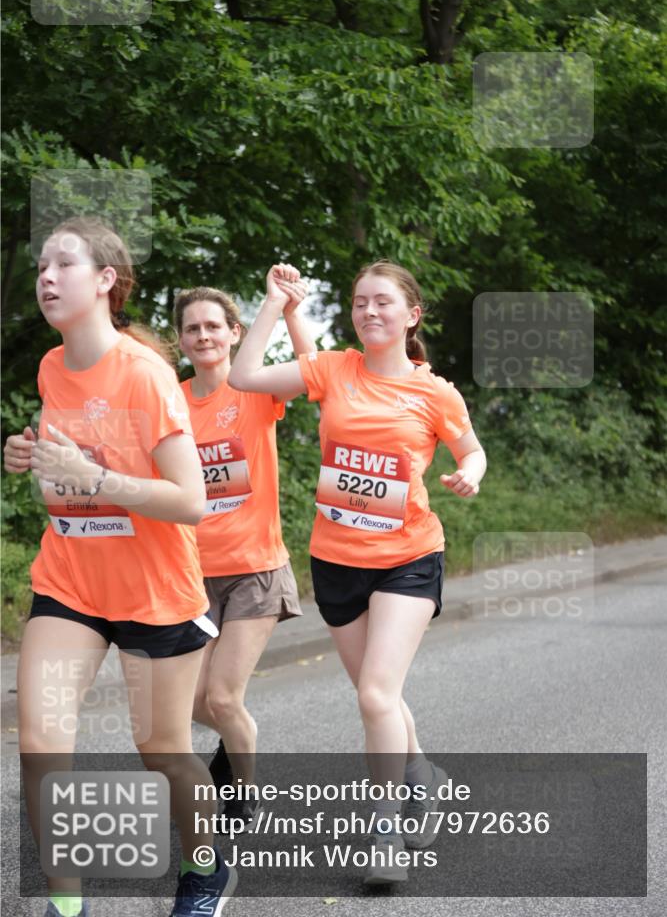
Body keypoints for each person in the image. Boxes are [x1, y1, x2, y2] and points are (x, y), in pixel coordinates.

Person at [3, 216, 235, 917]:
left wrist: (90, 476)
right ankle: (65, 905)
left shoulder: (145, 375)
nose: (46, 277)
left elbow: (191, 502)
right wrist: (30, 458)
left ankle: (206, 868)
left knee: (162, 751)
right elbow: (69, 466)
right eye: (41, 266)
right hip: (70, 581)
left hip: (153, 592)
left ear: (105, 280)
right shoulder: (51, 366)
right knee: (41, 742)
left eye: (63, 264)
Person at [228, 259, 486, 885]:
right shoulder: (332, 369)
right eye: (360, 302)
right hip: (337, 561)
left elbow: (470, 448)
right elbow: (243, 375)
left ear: (411, 315)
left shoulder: (434, 391)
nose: (370, 312)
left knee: (375, 693)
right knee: (382, 697)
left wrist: (471, 473)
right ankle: (424, 775)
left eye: (383, 303)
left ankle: (385, 832)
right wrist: (273, 304)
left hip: (408, 558)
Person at [173, 269, 312, 825]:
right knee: (191, 702)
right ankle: (235, 748)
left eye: (213, 326)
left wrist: (285, 309)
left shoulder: (254, 387)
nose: (203, 335)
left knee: (223, 699)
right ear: (181, 340)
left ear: (233, 332)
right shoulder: (172, 399)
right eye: (191, 329)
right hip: (189, 574)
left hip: (255, 569)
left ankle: (243, 791)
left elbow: (312, 373)